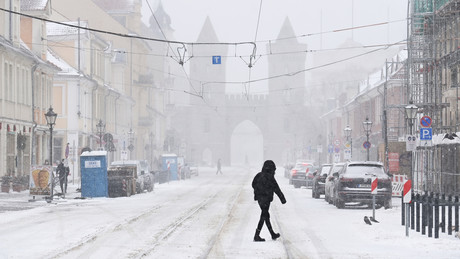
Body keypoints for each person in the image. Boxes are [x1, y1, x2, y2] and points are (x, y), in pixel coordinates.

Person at [252, 160, 286, 242]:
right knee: (264, 215)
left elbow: (253, 184)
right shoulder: (270, 178)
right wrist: (282, 199)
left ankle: (272, 234)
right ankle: (257, 235)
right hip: (266, 199)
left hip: (260, 198)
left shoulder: (259, 175)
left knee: (266, 215)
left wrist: (258, 190)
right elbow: (277, 189)